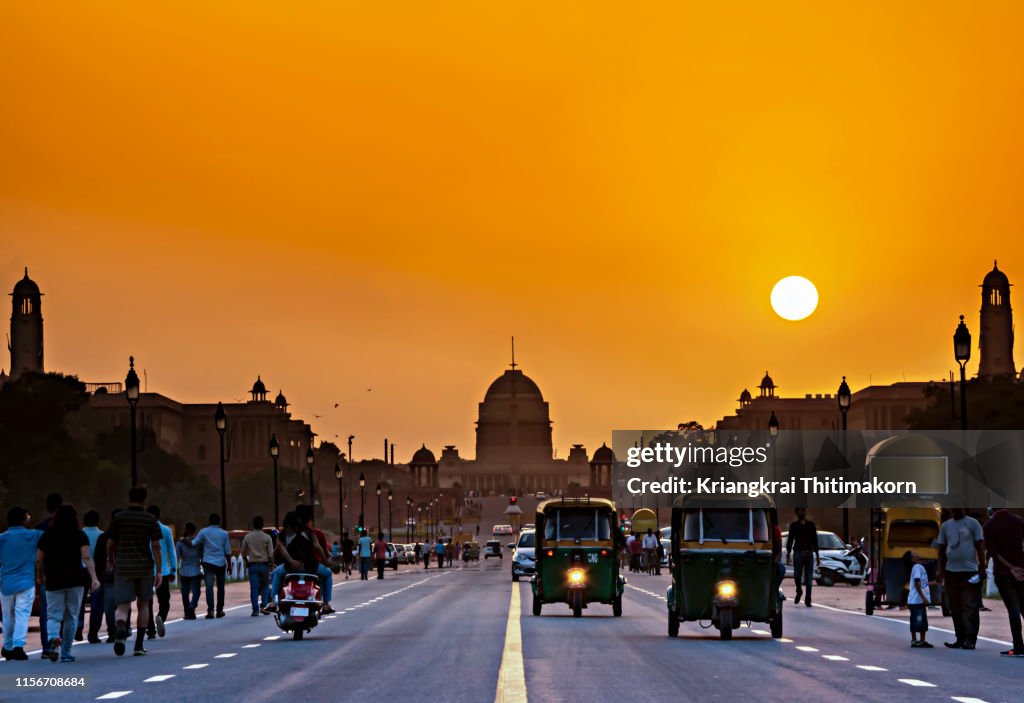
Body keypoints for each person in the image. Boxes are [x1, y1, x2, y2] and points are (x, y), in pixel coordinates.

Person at [37, 504, 100, 662]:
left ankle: (52, 639)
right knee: (71, 616)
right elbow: (86, 557)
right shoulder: (80, 535)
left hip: (53, 580)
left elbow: (39, 559)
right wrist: (94, 578)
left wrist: (40, 576)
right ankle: (66, 652)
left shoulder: (47, 536)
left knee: (53, 615)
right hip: (76, 580)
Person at [107, 487, 162, 657]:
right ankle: (138, 645)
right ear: (145, 500)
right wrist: (159, 570)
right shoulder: (150, 519)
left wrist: (111, 559)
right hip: (144, 567)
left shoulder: (119, 518)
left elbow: (110, 544)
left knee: (122, 605)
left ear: (129, 498)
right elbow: (156, 546)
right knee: (143, 604)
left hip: (123, 566)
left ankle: (121, 626)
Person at [936, 507, 985, 650]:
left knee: (969, 606)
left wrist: (982, 566)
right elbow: (941, 549)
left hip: (969, 571)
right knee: (955, 607)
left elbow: (980, 546)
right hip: (951, 572)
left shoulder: (973, 523)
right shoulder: (946, 526)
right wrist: (940, 569)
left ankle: (970, 639)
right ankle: (960, 638)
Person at [0, 506, 42, 661]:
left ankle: (8, 646)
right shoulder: (34, 535)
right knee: (22, 614)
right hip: (26, 581)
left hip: (6, 583)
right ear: (25, 519)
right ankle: (18, 646)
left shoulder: (2, 538)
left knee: (7, 616)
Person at [983, 507, 1024, 657]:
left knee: (1013, 611)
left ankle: (1019, 647)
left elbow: (993, 552)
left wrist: (1011, 568)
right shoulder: (1018, 520)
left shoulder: (989, 526)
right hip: (1022, 572)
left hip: (1004, 573)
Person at [35, 492, 62, 659]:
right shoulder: (69, 525)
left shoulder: (39, 528)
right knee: (65, 611)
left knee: (47, 612)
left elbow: (37, 556)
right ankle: (63, 644)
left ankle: (47, 646)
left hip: (46, 575)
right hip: (66, 575)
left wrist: (38, 576)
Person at [295, 505, 336, 614]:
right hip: (312, 566)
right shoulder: (315, 533)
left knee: (277, 574)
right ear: (310, 520)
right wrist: (327, 561)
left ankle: (273, 601)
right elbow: (321, 550)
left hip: (293, 567)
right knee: (327, 574)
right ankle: (326, 603)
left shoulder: (290, 532)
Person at [145, 505, 176, 639]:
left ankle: (150, 629)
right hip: (162, 571)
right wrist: (174, 569)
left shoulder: (143, 530)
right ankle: (160, 617)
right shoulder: (166, 530)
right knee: (164, 600)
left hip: (146, 571)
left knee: (147, 601)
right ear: (159, 515)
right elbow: (171, 550)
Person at [192, 513, 231, 619]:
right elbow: (227, 551)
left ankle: (210, 611)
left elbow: (194, 543)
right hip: (221, 563)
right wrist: (230, 565)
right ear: (219, 521)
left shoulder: (203, 532)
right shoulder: (224, 534)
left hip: (208, 562)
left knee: (209, 587)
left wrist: (184, 540)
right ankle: (220, 610)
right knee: (221, 587)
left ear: (209, 521)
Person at [92, 509, 120, 643]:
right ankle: (122, 629)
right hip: (122, 574)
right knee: (123, 603)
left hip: (107, 575)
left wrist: (98, 575)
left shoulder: (103, 537)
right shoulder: (126, 536)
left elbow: (97, 558)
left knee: (109, 605)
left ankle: (113, 632)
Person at [786, 507, 820, 607]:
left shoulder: (811, 525)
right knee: (797, 576)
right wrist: (788, 553)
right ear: (797, 513)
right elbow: (790, 540)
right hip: (798, 553)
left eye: (802, 511)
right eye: (799, 511)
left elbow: (815, 541)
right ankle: (799, 590)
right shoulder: (794, 526)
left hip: (809, 553)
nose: (801, 513)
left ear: (805, 512)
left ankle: (808, 599)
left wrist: (817, 555)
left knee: (809, 578)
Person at [241, 516, 274, 616]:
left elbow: (242, 552)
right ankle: (264, 606)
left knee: (254, 588)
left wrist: (247, 561)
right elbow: (271, 553)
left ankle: (255, 609)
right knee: (265, 587)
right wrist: (272, 564)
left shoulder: (248, 537)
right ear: (262, 525)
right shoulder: (267, 537)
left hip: (253, 565)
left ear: (253, 525)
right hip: (264, 565)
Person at [78, 510, 103, 642]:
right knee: (96, 604)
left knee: (78, 602)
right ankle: (93, 633)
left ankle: (79, 625)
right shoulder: (102, 535)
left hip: (80, 571)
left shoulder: (79, 535)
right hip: (97, 572)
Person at [903, 550, 934, 648]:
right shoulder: (917, 567)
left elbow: (922, 583)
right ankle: (917, 640)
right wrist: (924, 598)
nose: (917, 553)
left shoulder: (918, 567)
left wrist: (934, 583)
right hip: (917, 600)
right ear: (913, 559)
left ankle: (920, 640)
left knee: (921, 620)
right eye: (914, 554)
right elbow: (917, 583)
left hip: (916, 601)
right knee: (919, 620)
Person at [175, 522, 202, 620]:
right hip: (196, 570)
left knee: (185, 593)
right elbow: (201, 555)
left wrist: (175, 569)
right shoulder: (198, 542)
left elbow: (176, 558)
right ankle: (192, 607)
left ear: (187, 530)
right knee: (197, 592)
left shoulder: (179, 543)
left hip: (184, 570)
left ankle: (187, 613)